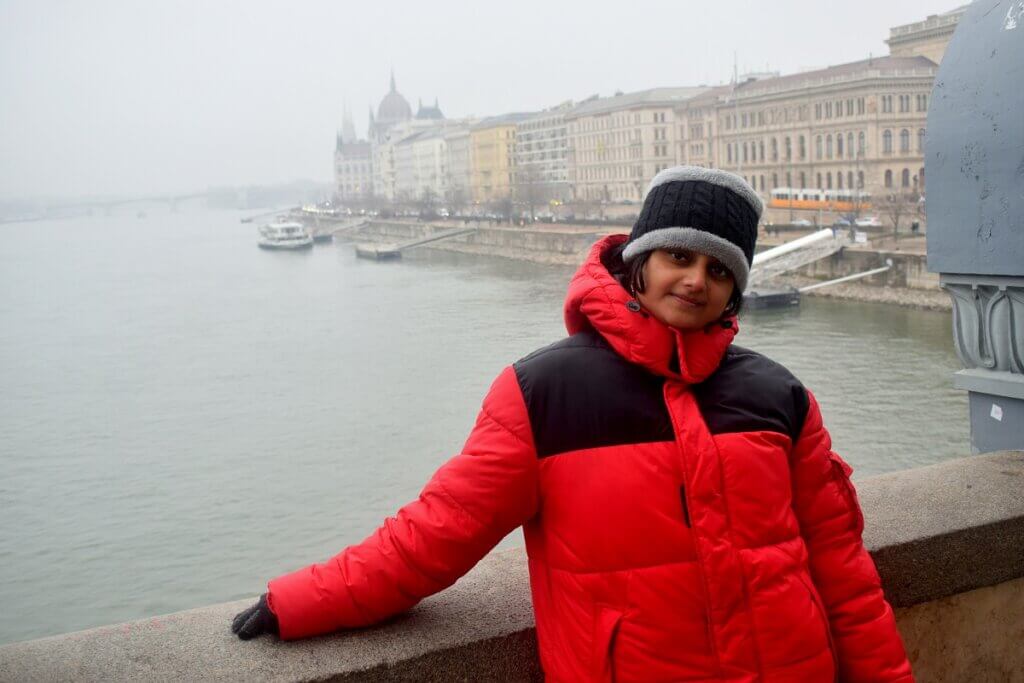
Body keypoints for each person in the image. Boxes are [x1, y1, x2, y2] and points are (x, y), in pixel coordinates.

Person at [232, 166, 914, 682]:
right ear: (639, 262)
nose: (695, 280)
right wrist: (299, 600)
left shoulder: (779, 395)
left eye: (718, 269)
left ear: (735, 289)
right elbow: (437, 533)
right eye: (680, 256)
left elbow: (843, 572)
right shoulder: (543, 393)